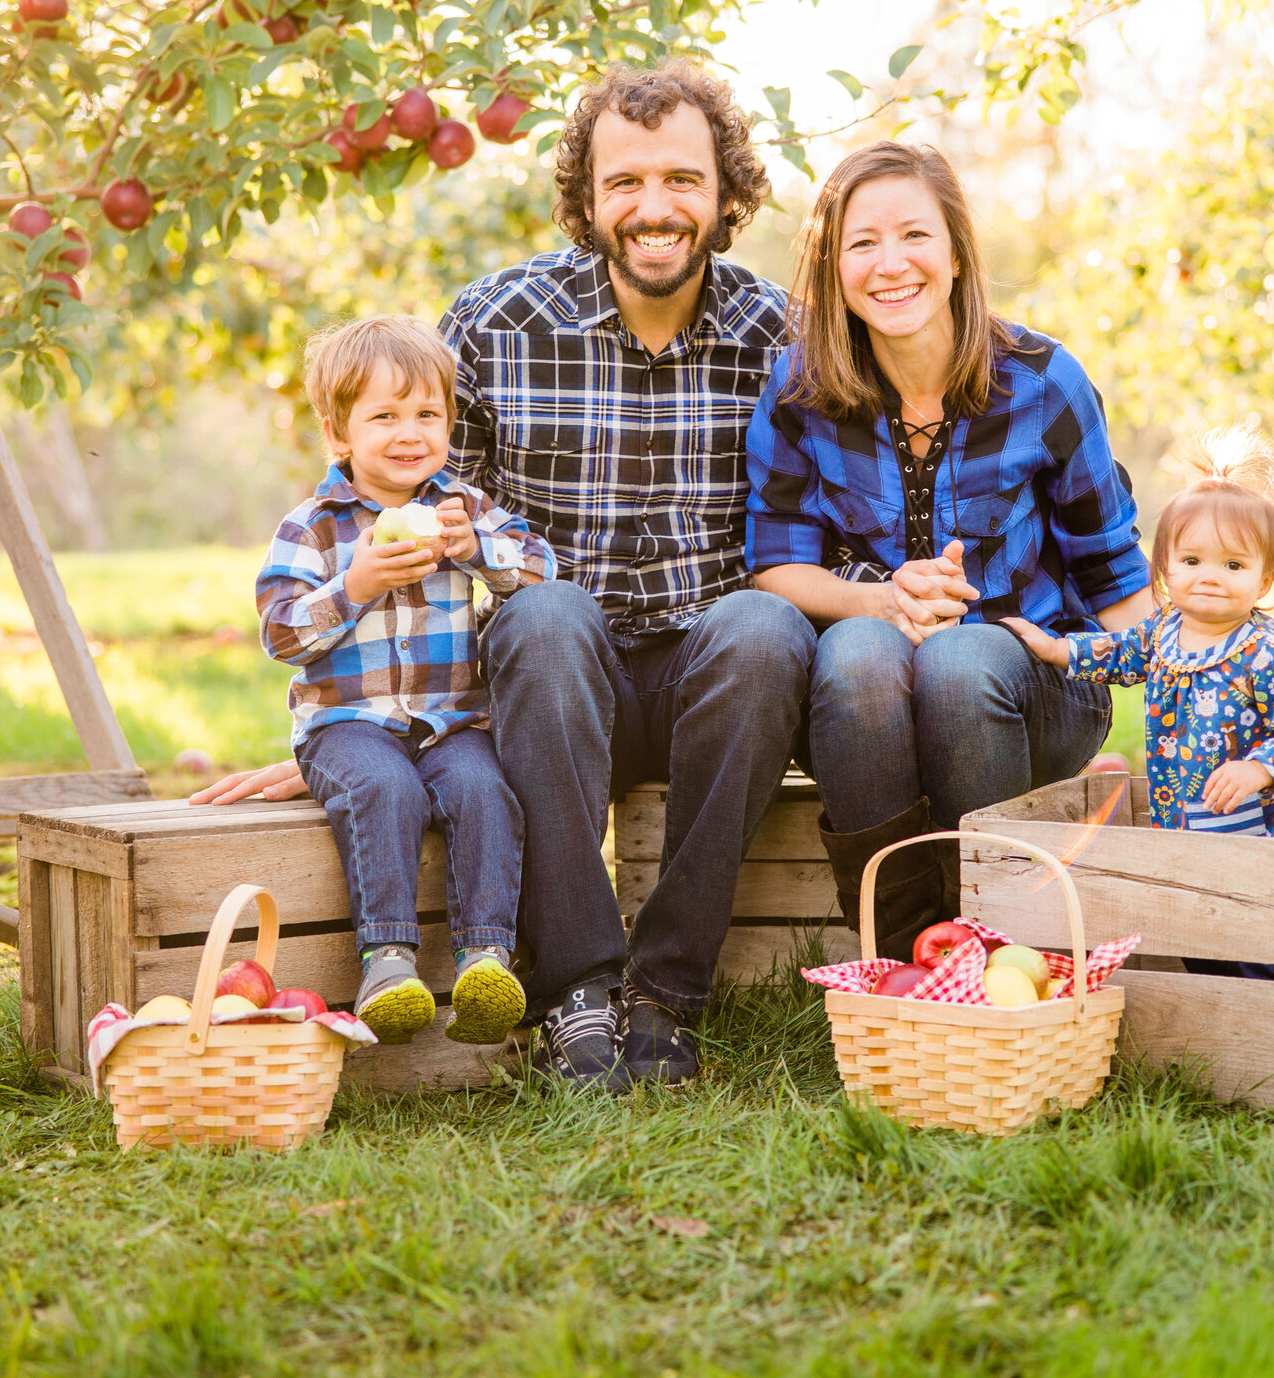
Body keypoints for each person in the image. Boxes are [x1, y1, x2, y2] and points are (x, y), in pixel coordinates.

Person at [199, 62, 814, 1093]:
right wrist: (348, 736)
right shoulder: (493, 323)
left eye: (681, 179)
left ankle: (668, 992)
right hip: (550, 686)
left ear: (725, 190)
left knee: (763, 625)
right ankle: (576, 987)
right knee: (544, 612)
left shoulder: (779, 335)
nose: (653, 208)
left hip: (716, 678)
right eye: (624, 182)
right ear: (586, 195)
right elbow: (397, 531)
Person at [745, 140, 1155, 963]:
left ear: (959, 252)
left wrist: (1195, 672)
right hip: (867, 710)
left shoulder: (1043, 382)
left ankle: (1008, 946)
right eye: (862, 243)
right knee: (859, 650)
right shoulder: (800, 391)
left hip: (1030, 686)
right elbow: (776, 563)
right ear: (833, 268)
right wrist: (883, 600)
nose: (890, 263)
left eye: (915, 236)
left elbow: (1113, 568)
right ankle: (902, 955)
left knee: (962, 661)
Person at [252, 316, 553, 1046]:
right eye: (383, 415)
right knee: (386, 789)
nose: (409, 432)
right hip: (344, 728)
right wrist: (353, 584)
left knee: (485, 790)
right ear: (338, 434)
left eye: (427, 414)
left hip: (450, 722)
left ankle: (485, 958)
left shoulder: (460, 509)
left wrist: (477, 548)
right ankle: (387, 960)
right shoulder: (314, 527)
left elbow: (544, 570)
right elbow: (282, 633)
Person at [1005, 424, 1274, 982]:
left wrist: (1258, 768)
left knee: (1257, 942)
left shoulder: (1264, 650)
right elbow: (1118, 652)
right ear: (1165, 567)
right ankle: (1215, 1030)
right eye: (1192, 560)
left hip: (1261, 836)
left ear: (1265, 576)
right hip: (1188, 827)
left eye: (1233, 566)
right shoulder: (1164, 632)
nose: (1209, 578)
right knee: (1199, 935)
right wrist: (1058, 649)